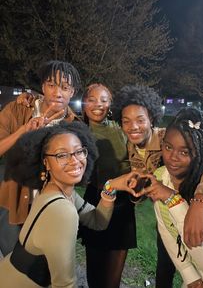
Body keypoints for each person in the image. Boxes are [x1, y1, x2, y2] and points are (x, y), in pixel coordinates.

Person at [112, 85, 203, 288]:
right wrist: (136, 189)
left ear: (152, 119)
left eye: (140, 120)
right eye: (126, 121)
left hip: (197, 214)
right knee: (166, 264)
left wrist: (200, 199)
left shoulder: (169, 135)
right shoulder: (129, 147)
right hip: (166, 216)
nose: (133, 127)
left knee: (177, 264)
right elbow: (151, 187)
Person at [0, 121, 137, 288]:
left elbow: (97, 221)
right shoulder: (62, 211)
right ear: (46, 163)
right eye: (61, 155)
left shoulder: (55, 190)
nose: (75, 161)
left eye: (79, 151)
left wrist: (110, 186)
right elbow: (64, 284)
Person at [0, 60, 81, 256]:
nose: (57, 93)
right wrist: (23, 131)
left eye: (65, 87)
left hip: (50, 206)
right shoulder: (17, 109)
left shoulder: (75, 126)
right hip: (12, 201)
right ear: (43, 86)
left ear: (73, 92)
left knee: (42, 269)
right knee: (13, 265)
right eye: (51, 85)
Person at [79, 83, 136, 288]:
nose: (98, 105)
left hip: (122, 202)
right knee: (95, 269)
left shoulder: (121, 128)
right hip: (96, 200)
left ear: (110, 104)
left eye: (104, 100)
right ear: (85, 103)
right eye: (92, 99)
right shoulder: (78, 128)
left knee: (114, 275)